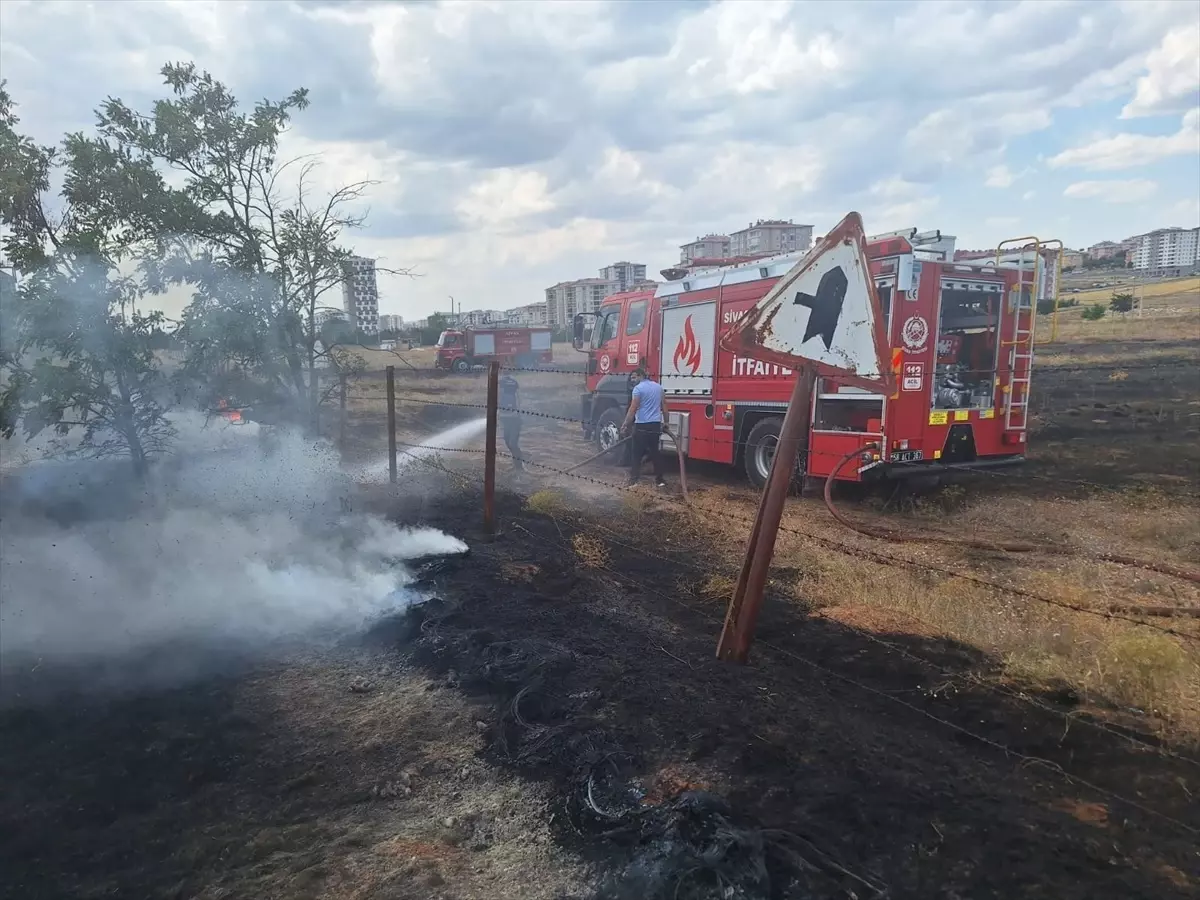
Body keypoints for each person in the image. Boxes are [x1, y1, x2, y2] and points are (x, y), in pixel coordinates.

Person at [621, 367, 667, 488]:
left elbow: (633, 408)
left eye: (634, 377)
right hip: (655, 425)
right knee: (655, 453)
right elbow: (665, 406)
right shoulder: (659, 387)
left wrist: (625, 424)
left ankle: (634, 480)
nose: (632, 380)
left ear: (641, 376)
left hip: (641, 426)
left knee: (636, 454)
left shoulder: (638, 389)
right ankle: (660, 480)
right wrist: (666, 422)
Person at [499, 373, 524, 470]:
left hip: (514, 419)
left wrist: (517, 412)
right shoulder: (512, 382)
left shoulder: (505, 383)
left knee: (512, 443)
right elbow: (519, 398)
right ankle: (516, 462)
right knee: (507, 441)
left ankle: (519, 466)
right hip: (507, 418)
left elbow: (518, 399)